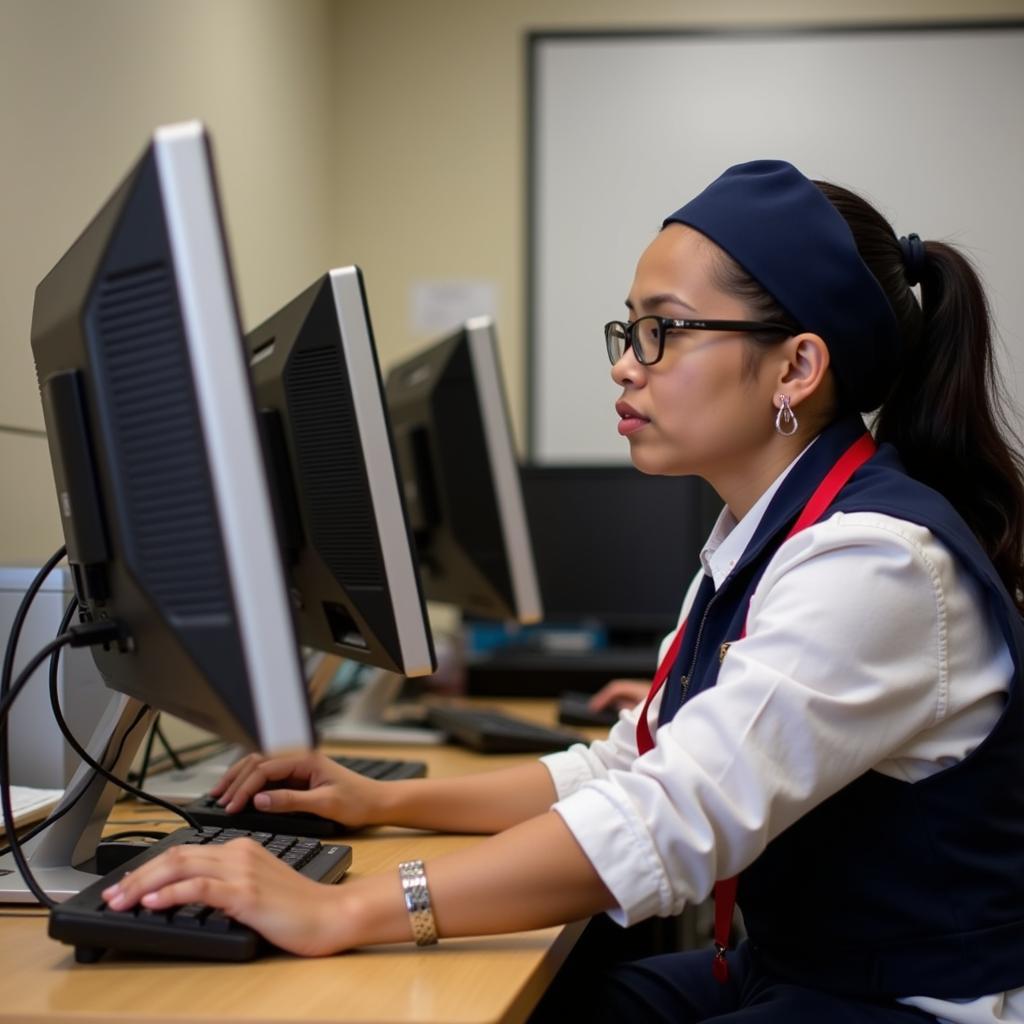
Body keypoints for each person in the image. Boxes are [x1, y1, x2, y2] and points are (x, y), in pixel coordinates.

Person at [102, 160, 1024, 1023]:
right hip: (796, 968)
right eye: (629, 329)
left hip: (908, 1003)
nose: (627, 362)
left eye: (663, 329)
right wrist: (376, 801)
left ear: (796, 368)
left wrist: (343, 911)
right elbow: (628, 767)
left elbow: (668, 817)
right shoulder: (762, 539)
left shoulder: (877, 565)